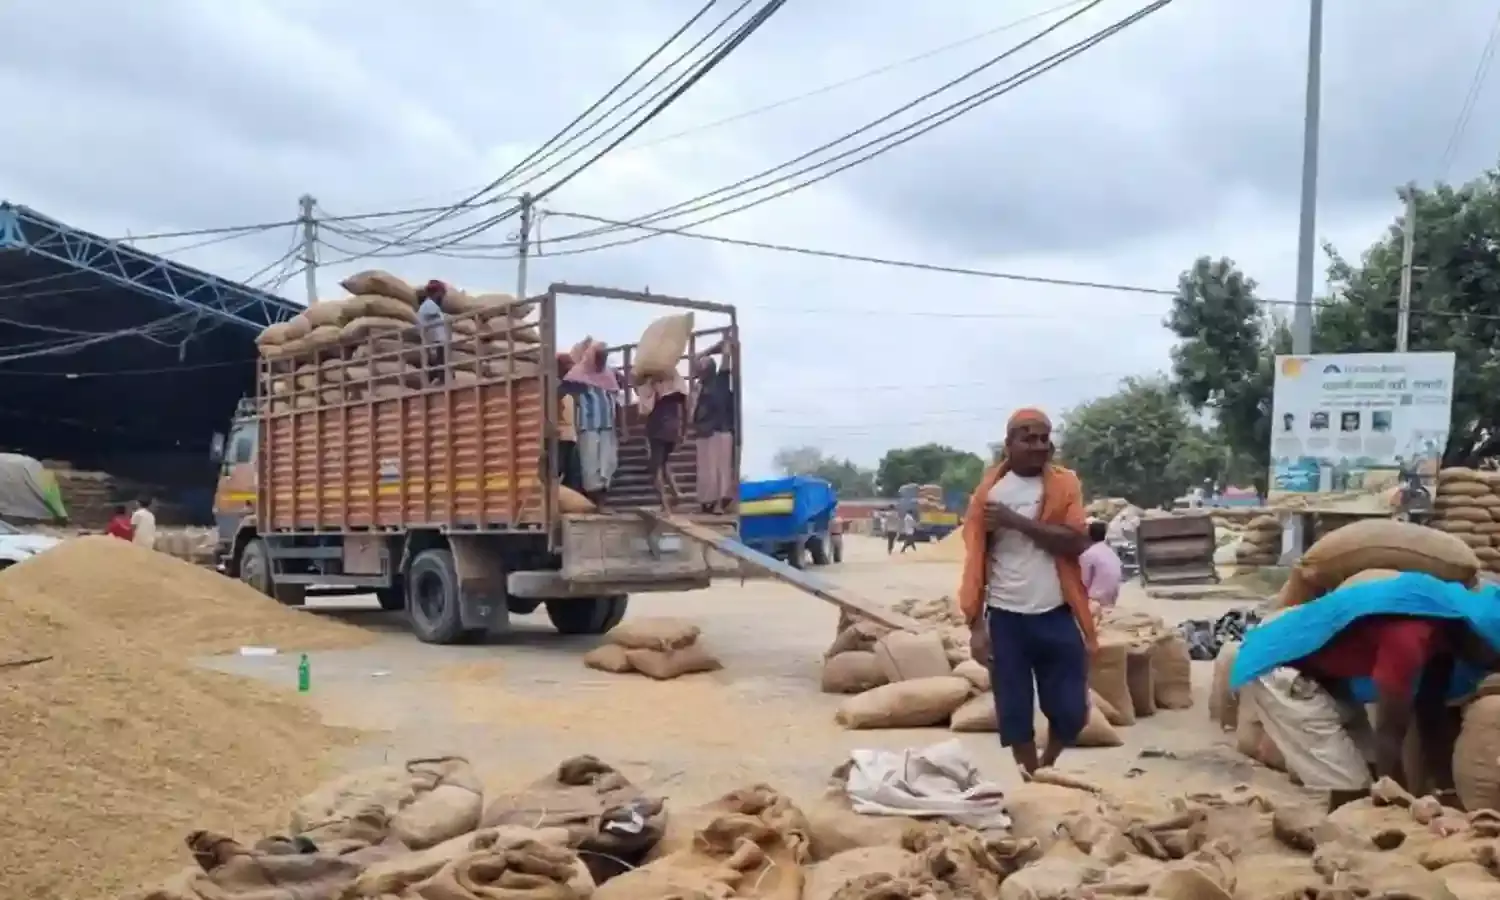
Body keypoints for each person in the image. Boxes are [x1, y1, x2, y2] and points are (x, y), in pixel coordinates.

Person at [1231, 572, 1500, 811]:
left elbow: (1430, 712)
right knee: (1351, 785)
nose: (1489, 667)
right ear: (1481, 635)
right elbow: (1390, 729)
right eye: (1495, 658)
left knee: (1370, 768)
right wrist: (1398, 798)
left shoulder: (1447, 635)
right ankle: (1339, 843)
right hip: (1281, 667)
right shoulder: (1409, 637)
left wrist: (1446, 790)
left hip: (1328, 680)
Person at [958, 407, 1095, 776]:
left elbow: (1076, 541)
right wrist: (976, 626)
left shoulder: (1064, 485)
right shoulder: (989, 493)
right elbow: (975, 561)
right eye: (1028, 438)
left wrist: (1014, 521)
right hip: (1006, 619)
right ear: (1009, 444)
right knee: (1014, 713)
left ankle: (1045, 767)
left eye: (1044, 438)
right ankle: (1034, 779)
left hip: (1056, 613)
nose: (1038, 445)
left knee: (1073, 711)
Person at [565, 341, 622, 506]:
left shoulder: (609, 375)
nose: (601, 362)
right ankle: (595, 501)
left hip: (608, 426)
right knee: (590, 464)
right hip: (587, 425)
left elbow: (616, 400)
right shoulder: (576, 375)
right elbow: (569, 399)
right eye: (599, 358)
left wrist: (622, 426)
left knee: (608, 463)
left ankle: (602, 500)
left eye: (604, 358)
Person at [689, 339, 736, 514]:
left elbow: (726, 346)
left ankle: (718, 504)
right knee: (705, 471)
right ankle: (706, 502)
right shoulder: (700, 387)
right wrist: (702, 356)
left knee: (720, 469)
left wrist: (707, 352)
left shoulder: (721, 379)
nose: (699, 369)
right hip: (703, 431)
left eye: (703, 365)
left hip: (720, 429)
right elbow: (695, 360)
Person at [637, 370, 688, 511]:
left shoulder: (652, 383)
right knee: (664, 462)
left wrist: (650, 385)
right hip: (672, 428)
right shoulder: (675, 382)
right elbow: (685, 406)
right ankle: (676, 493)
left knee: (656, 467)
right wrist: (683, 430)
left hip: (657, 427)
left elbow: (645, 408)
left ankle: (665, 504)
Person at [554, 352, 584, 493]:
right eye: (566, 365)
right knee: (559, 469)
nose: (569, 369)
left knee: (572, 474)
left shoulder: (570, 387)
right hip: (560, 437)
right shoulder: (556, 387)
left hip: (571, 436)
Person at [1079, 520, 1124, 608]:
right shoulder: (1110, 551)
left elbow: (1084, 581)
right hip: (1112, 595)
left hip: (1097, 598)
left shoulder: (1088, 554)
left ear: (1089, 535)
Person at [417, 280, 451, 384]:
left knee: (443, 372)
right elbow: (446, 318)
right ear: (436, 293)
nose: (442, 297)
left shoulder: (432, 306)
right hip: (434, 343)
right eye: (441, 293)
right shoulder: (429, 305)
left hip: (437, 343)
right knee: (440, 372)